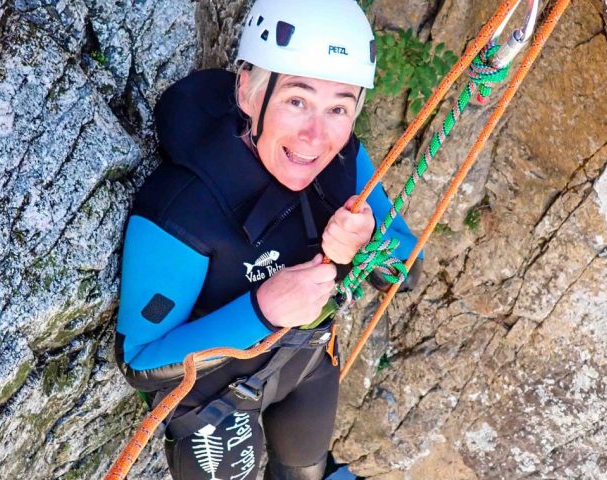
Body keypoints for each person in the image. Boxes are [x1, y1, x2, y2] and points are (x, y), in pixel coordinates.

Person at [114, 0, 421, 478]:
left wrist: (367, 247)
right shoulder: (184, 209)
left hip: (307, 362)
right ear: (249, 91)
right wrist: (264, 309)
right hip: (215, 398)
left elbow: (407, 269)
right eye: (297, 100)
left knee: (307, 471)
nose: (316, 136)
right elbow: (140, 361)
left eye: (339, 107)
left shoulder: (346, 166)